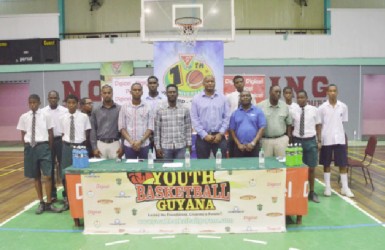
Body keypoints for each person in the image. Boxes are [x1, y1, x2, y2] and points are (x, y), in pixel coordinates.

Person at [16, 94, 62, 214]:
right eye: (30, 103)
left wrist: (49, 148)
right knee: (36, 176)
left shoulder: (46, 115)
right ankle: (41, 202)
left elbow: (50, 132)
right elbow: (23, 133)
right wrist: (26, 146)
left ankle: (49, 202)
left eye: (35, 102)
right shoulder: (24, 117)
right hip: (30, 147)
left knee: (47, 175)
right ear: (28, 103)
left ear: (39, 103)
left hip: (43, 146)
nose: (33, 105)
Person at [318, 84, 354, 198]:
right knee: (326, 164)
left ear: (337, 92)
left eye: (334, 91)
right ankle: (327, 187)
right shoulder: (322, 108)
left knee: (343, 164)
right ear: (327, 93)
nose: (332, 93)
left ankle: (345, 188)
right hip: (326, 138)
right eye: (330, 91)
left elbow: (342, 122)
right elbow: (319, 124)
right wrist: (319, 139)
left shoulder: (343, 106)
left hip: (340, 139)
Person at [59, 94, 91, 210]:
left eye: (73, 103)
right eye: (69, 103)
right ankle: (68, 199)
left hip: (80, 147)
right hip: (67, 147)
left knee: (80, 173)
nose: (71, 105)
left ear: (77, 104)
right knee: (65, 174)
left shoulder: (84, 117)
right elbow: (63, 133)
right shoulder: (62, 117)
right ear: (66, 104)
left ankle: (82, 198)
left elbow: (87, 134)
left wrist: (84, 148)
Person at [291, 90, 322, 203]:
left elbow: (318, 126)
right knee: (297, 168)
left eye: (302, 97)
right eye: (298, 98)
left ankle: (312, 192)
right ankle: (299, 192)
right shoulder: (293, 110)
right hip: (297, 141)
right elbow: (291, 126)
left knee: (312, 168)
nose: (300, 99)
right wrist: (290, 141)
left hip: (310, 141)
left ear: (307, 98)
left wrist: (319, 140)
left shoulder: (314, 110)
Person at [191, 75, 230, 159]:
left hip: (219, 137)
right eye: (207, 81)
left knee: (221, 164)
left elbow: (227, 117)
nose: (210, 83)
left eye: (212, 81)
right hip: (202, 137)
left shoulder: (223, 98)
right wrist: (204, 135)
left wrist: (221, 133)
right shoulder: (196, 99)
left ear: (215, 83)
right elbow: (194, 118)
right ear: (203, 83)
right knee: (202, 166)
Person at [41, 90, 67, 202]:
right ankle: (52, 194)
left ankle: (66, 193)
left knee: (64, 167)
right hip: (48, 141)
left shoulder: (64, 111)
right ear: (48, 99)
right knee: (49, 167)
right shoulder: (42, 112)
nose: (53, 99)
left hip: (61, 141)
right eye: (50, 98)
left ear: (58, 98)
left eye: (55, 98)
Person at [154, 84, 192, 159]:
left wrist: (189, 144)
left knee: (181, 170)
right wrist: (157, 147)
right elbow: (157, 130)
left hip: (181, 146)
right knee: (166, 170)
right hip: (165, 147)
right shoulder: (160, 109)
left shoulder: (185, 109)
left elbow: (188, 128)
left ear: (177, 93)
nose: (172, 94)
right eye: (170, 92)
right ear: (166, 94)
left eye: (174, 92)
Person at [119, 83, 153, 159]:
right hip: (129, 145)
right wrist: (132, 142)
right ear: (130, 92)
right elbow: (122, 127)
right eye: (134, 90)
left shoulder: (148, 107)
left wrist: (140, 142)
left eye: (139, 90)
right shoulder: (124, 107)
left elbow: (150, 127)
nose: (137, 92)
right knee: (131, 169)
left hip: (144, 145)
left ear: (142, 92)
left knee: (145, 169)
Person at [257, 85, 292, 157]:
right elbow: (256, 124)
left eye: (279, 92)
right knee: (266, 164)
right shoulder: (260, 106)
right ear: (270, 92)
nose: (278, 94)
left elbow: (289, 123)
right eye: (276, 92)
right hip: (265, 141)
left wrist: (288, 138)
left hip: (281, 140)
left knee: (282, 164)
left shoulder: (284, 106)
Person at [226, 75, 257, 157]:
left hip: (247, 127)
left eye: (241, 82)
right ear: (234, 85)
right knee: (233, 153)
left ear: (244, 83)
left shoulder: (251, 96)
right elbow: (227, 112)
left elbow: (254, 110)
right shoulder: (229, 97)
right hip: (234, 129)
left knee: (250, 153)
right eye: (237, 82)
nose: (239, 84)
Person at [90, 85, 123, 159]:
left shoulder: (119, 109)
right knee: (99, 169)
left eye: (109, 93)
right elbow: (93, 129)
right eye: (104, 93)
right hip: (100, 144)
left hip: (115, 144)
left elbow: (123, 129)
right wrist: (94, 147)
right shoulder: (95, 109)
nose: (107, 95)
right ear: (101, 94)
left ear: (112, 94)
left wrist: (122, 147)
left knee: (116, 169)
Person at [229, 91, 266, 157]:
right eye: (243, 96)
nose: (245, 97)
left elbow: (262, 128)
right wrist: (238, 144)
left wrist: (253, 143)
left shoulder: (258, 111)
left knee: (256, 166)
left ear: (251, 98)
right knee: (239, 167)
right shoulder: (235, 113)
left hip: (254, 146)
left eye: (247, 96)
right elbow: (232, 130)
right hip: (239, 147)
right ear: (240, 98)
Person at [143, 76, 167, 154]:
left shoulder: (164, 99)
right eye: (150, 83)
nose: (152, 85)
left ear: (158, 84)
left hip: (161, 134)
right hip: (146, 135)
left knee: (161, 159)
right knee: (146, 160)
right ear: (147, 85)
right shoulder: (143, 99)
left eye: (154, 83)